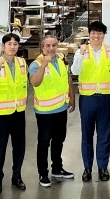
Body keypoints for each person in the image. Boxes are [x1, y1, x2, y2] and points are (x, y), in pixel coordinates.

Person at [71, 21, 110, 182]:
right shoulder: (81, 51)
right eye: (93, 33)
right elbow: (74, 71)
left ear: (103, 35)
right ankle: (87, 168)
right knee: (87, 135)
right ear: (90, 35)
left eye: (99, 33)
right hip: (87, 99)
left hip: (106, 100)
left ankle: (102, 167)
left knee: (104, 135)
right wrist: (79, 55)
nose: (96, 36)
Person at [29, 36, 76, 187]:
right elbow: (35, 83)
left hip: (61, 108)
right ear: (42, 47)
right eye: (47, 46)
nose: (51, 48)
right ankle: (43, 173)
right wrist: (43, 66)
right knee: (44, 143)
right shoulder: (36, 64)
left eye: (54, 45)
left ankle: (57, 168)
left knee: (59, 140)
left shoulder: (61, 59)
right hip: (45, 111)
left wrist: (72, 97)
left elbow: (67, 78)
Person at [0, 33, 28, 194]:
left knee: (19, 146)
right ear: (3, 47)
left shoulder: (22, 63)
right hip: (2, 113)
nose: (12, 46)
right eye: (9, 44)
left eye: (15, 44)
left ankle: (17, 176)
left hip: (19, 111)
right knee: (0, 146)